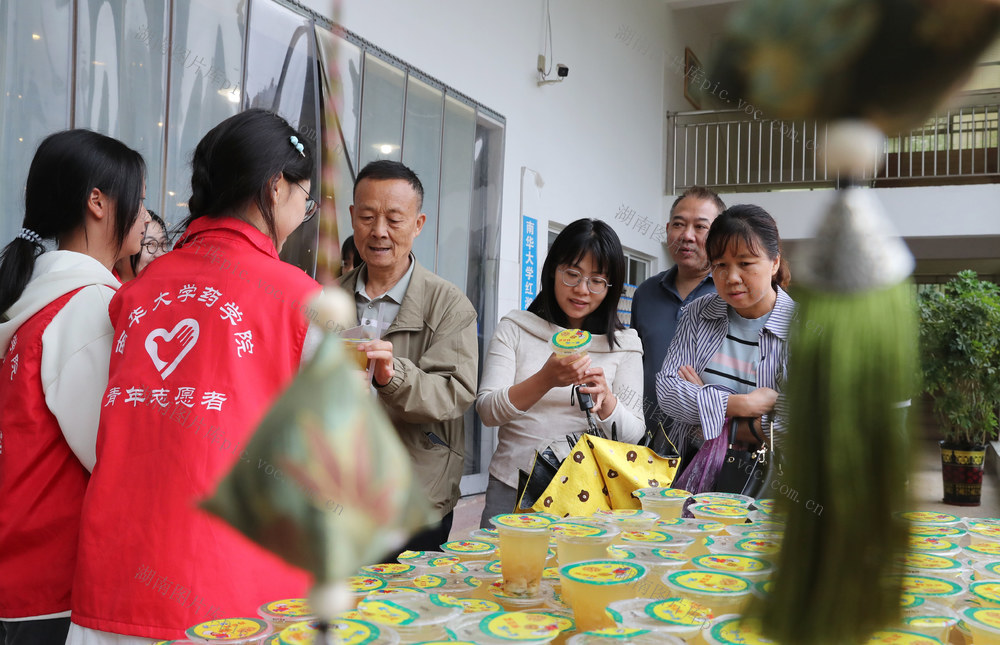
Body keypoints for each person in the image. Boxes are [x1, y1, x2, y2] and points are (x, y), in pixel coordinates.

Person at [68, 109, 323, 643]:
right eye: (306, 196)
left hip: (115, 578)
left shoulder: (134, 292)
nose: (305, 210)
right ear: (275, 188)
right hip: (235, 590)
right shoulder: (300, 301)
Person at [0, 129, 148, 645]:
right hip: (50, 583)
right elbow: (112, 454)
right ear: (98, 202)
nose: (146, 216)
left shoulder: (34, 298)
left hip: (18, 570)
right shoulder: (87, 307)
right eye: (141, 198)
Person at [340, 160, 477, 554]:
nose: (379, 231)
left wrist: (391, 376)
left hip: (415, 499)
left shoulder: (449, 304)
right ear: (352, 217)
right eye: (367, 216)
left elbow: (455, 393)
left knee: (408, 609)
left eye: (394, 219)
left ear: (418, 224)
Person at [477, 218, 646, 525]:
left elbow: (633, 434)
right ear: (552, 270)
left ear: (611, 287)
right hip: (512, 487)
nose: (582, 290)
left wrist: (606, 400)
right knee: (505, 572)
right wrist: (545, 380)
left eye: (597, 281)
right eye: (572, 274)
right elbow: (488, 411)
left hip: (589, 494)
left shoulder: (624, 344)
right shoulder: (516, 328)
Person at [656, 204, 794, 461]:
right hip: (692, 476)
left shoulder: (800, 328)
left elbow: (800, 420)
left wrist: (705, 412)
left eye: (745, 263)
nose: (731, 277)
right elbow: (668, 390)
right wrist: (743, 405)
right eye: (720, 264)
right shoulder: (698, 313)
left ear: (774, 262)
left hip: (769, 485)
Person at [631, 187, 725, 455]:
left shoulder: (731, 295)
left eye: (700, 227)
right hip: (647, 445)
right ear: (667, 228)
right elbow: (636, 364)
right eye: (679, 225)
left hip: (709, 446)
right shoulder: (646, 293)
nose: (687, 236)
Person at [114, 211, 170, 281]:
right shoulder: (102, 289)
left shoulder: (166, 289)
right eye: (150, 244)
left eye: (163, 244)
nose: (160, 254)